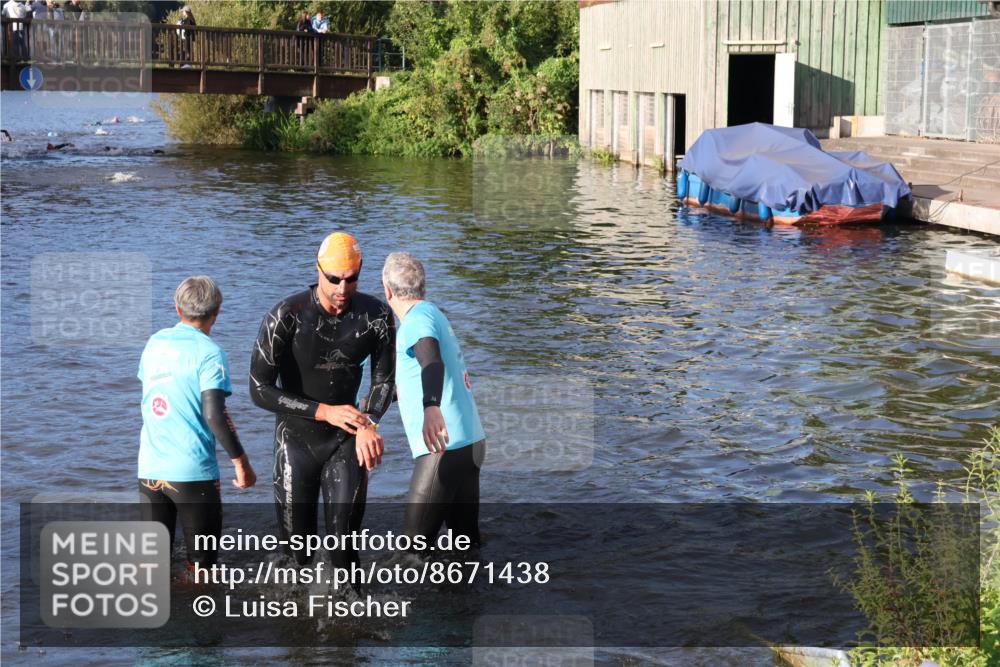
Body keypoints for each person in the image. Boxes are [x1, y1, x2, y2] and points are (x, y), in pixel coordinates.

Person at [250, 232, 394, 572]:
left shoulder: (376, 316)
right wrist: (324, 411)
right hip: (295, 442)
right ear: (318, 271)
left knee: (345, 546)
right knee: (296, 556)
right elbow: (259, 389)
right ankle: (296, 622)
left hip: (345, 440)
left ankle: (355, 619)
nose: (342, 289)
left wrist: (370, 421)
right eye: (334, 280)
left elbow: (385, 380)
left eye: (351, 279)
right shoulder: (286, 315)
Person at [138, 276, 256, 570]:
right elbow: (214, 414)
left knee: (154, 567)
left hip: (149, 472)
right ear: (217, 312)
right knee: (202, 567)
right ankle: (200, 613)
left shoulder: (154, 343)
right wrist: (241, 463)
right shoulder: (210, 353)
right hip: (192, 474)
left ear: (177, 308)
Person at [381, 252, 486, 546]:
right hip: (471, 442)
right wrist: (365, 410)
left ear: (387, 291)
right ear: (423, 287)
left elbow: (432, 363)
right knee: (465, 547)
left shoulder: (415, 320)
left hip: (444, 447)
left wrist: (431, 407)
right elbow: (417, 377)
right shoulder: (433, 313)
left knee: (412, 552)